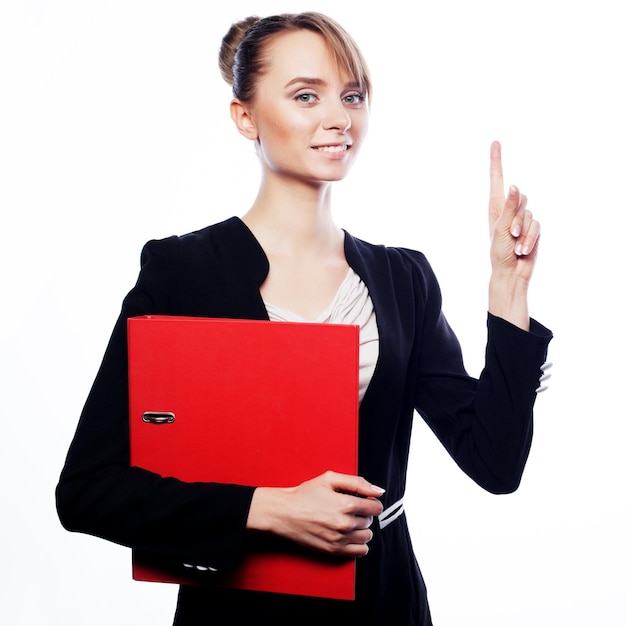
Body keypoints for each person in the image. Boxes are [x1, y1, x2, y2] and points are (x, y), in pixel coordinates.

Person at [56, 11, 553, 625]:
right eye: (305, 96)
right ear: (245, 117)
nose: (338, 118)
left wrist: (508, 285)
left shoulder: (404, 280)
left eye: (351, 96)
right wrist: (264, 509)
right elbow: (88, 490)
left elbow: (495, 462)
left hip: (383, 604)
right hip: (238, 610)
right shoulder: (180, 272)